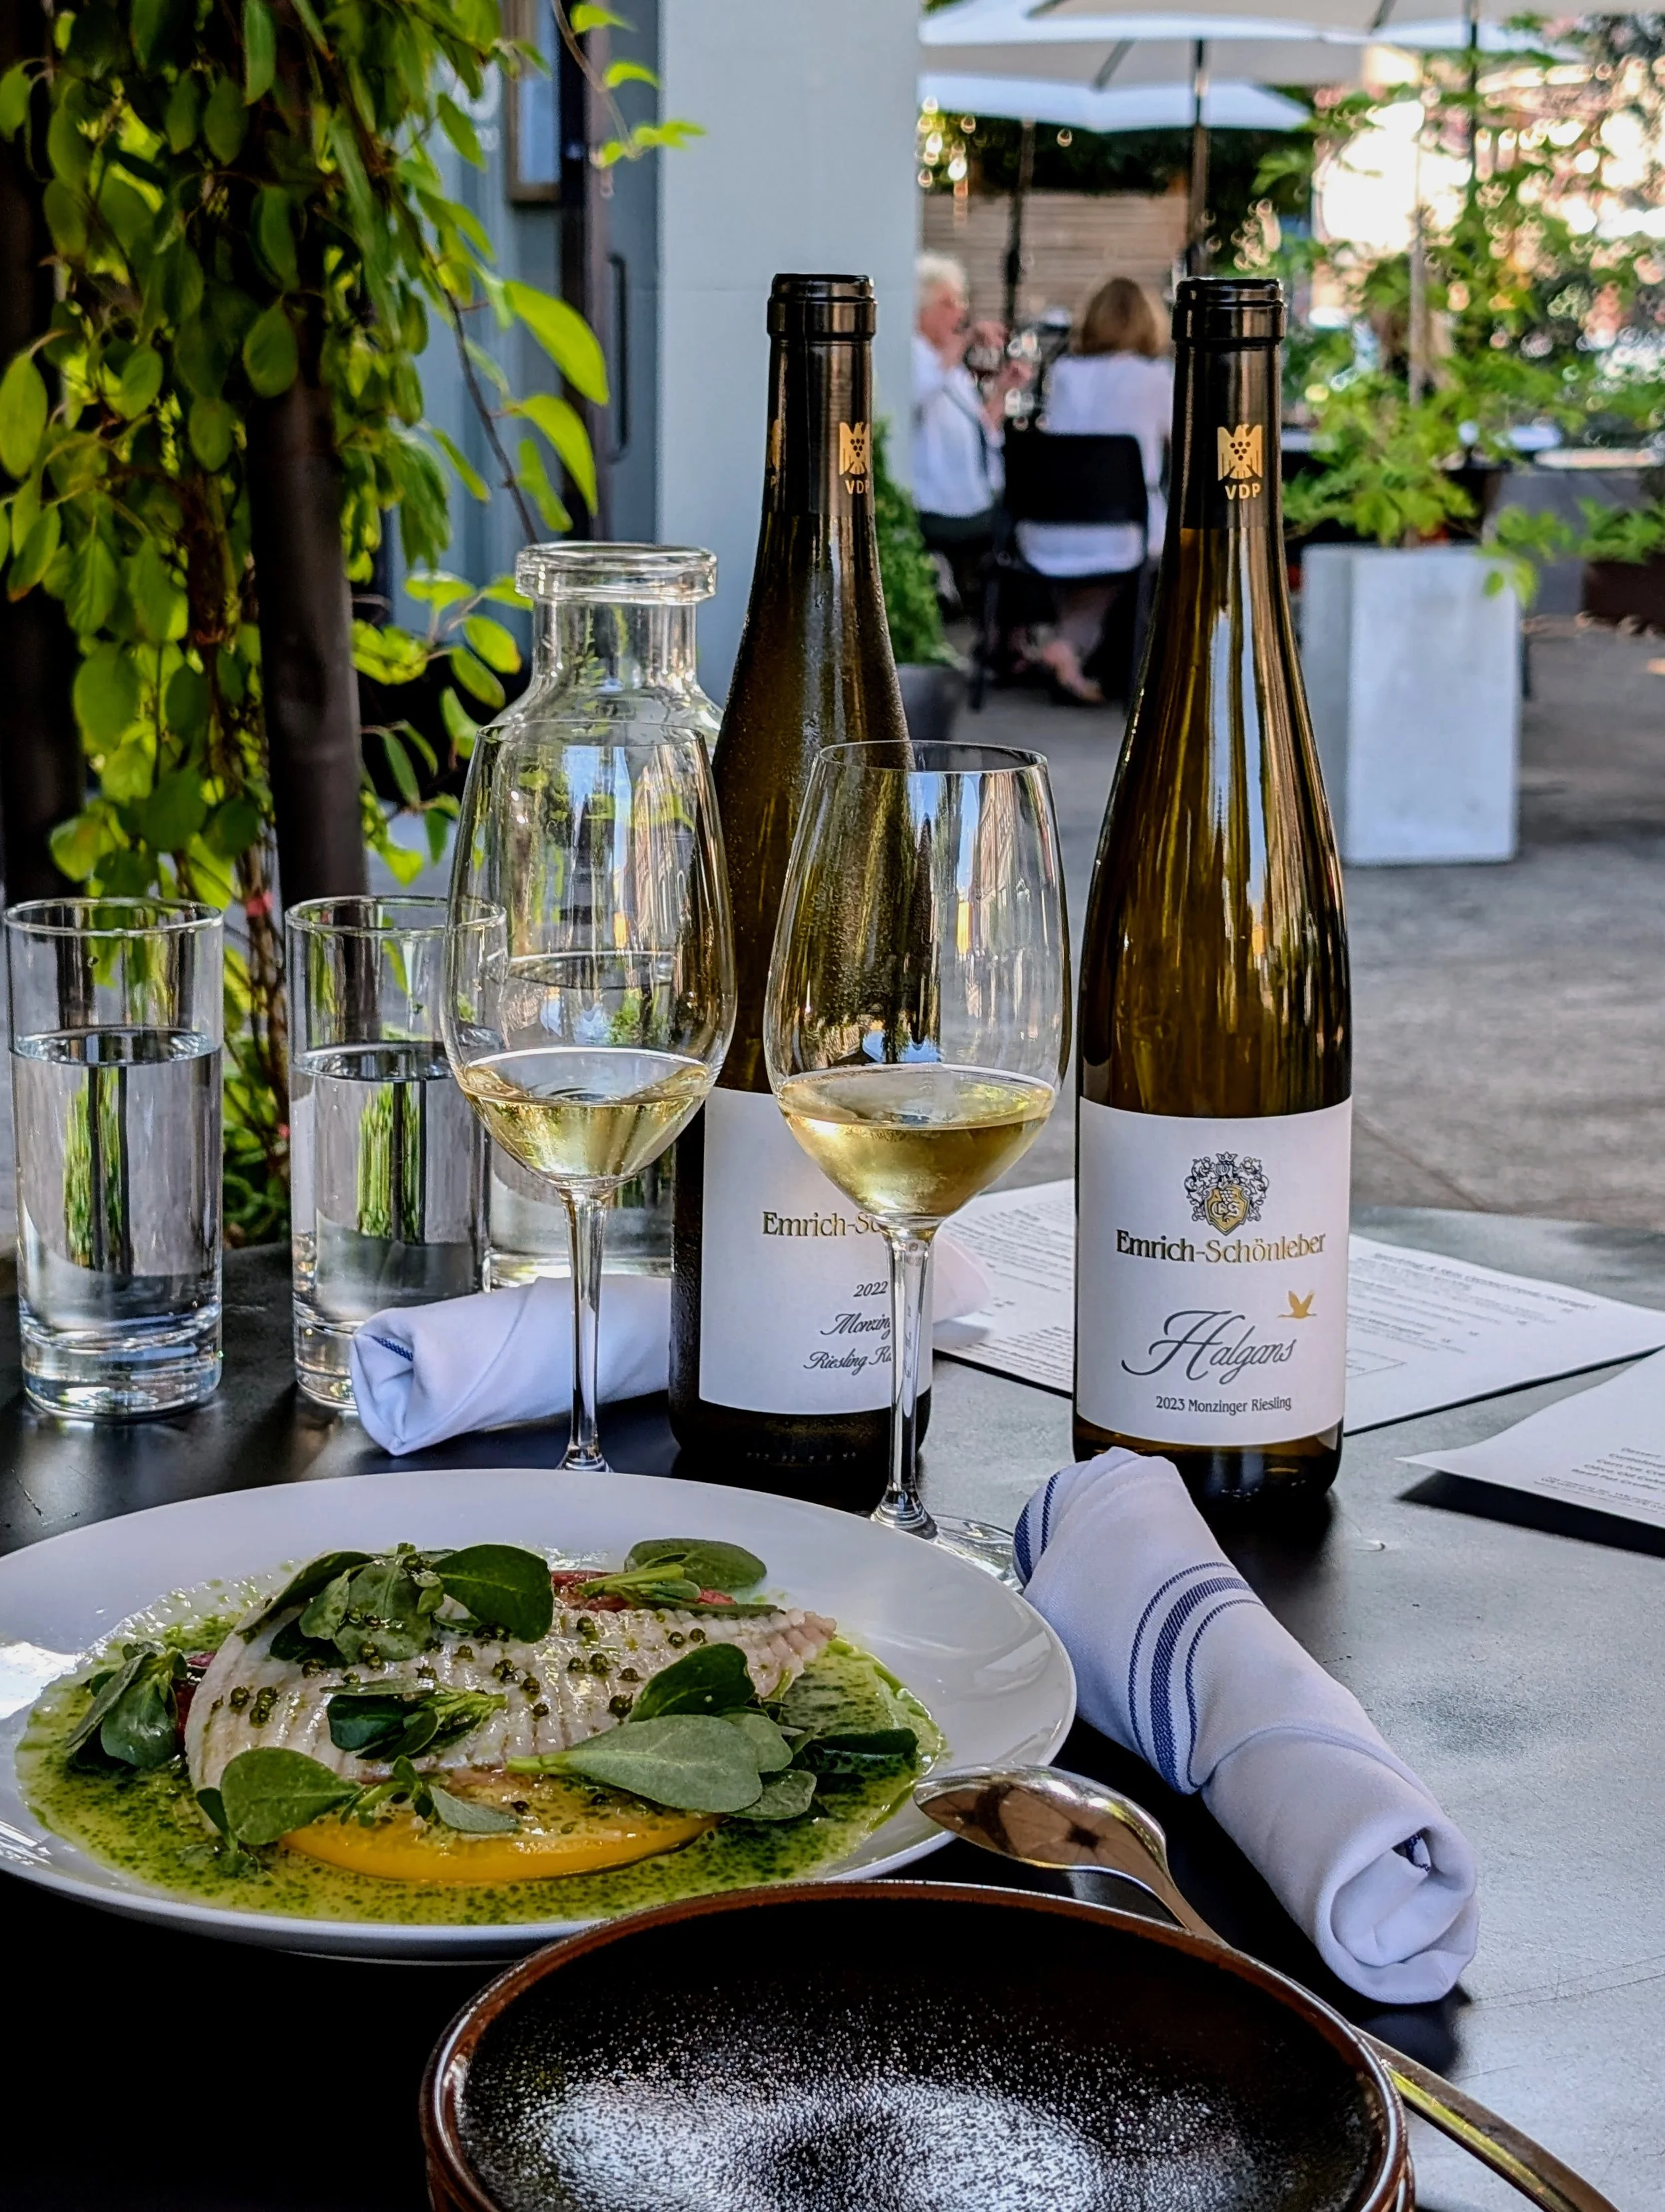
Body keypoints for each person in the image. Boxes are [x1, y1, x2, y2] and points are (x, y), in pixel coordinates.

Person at [1018, 276, 1173, 703]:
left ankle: (1067, 646)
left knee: (1090, 563)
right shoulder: (1157, 378)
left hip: (1049, 522)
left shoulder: (1065, 373)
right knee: (1142, 554)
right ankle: (1071, 648)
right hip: (1124, 526)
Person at [911, 252, 1028, 610]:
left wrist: (1003, 391)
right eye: (948, 304)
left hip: (971, 495)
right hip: (937, 503)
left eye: (960, 303)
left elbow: (980, 427)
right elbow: (919, 393)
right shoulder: (915, 355)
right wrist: (964, 341)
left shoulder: (951, 366)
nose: (959, 313)